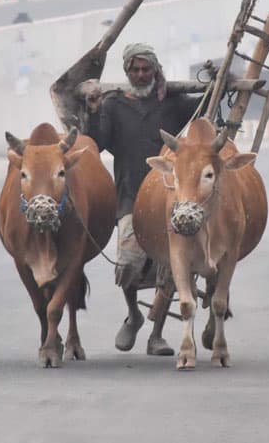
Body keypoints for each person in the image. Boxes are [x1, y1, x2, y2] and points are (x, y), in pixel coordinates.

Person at [82, 43, 200, 355]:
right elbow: (96, 142)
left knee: (170, 267)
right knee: (127, 265)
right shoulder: (113, 104)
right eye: (134, 70)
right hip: (130, 198)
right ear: (126, 72)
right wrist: (93, 112)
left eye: (146, 69)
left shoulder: (172, 103)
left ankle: (157, 334)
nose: (140, 74)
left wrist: (223, 79)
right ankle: (134, 315)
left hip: (169, 197)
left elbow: (205, 110)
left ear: (156, 70)